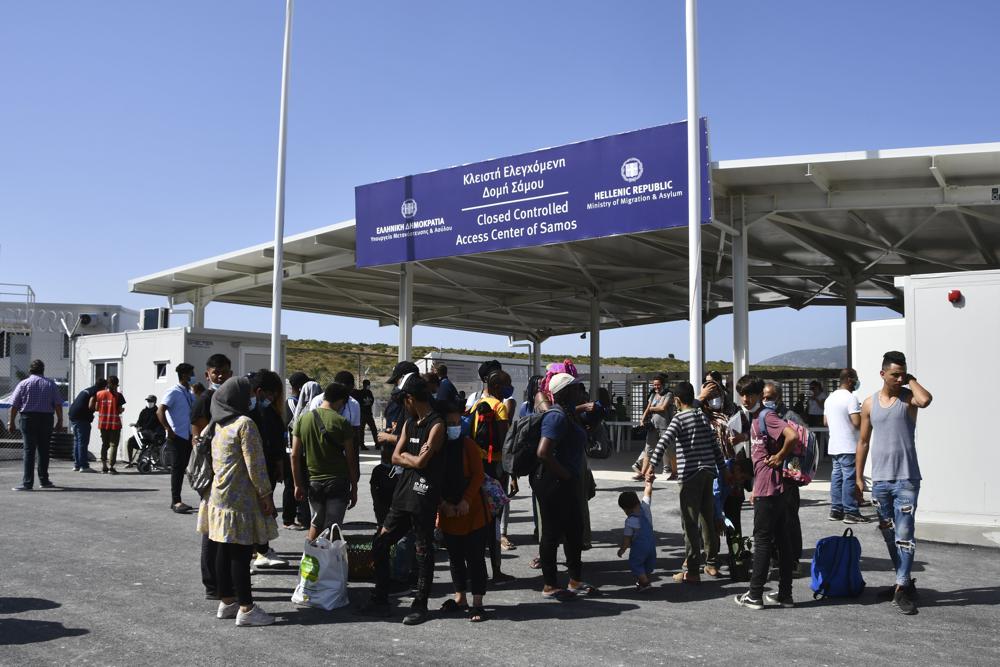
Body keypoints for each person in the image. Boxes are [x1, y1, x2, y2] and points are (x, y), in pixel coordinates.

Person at [360, 373, 446, 625]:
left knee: (422, 550)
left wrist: (412, 459)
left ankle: (420, 604)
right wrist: (413, 459)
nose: (402, 405)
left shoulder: (436, 425)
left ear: (410, 398)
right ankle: (380, 598)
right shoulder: (409, 423)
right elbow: (396, 457)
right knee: (380, 543)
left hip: (423, 497)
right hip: (402, 494)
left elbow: (421, 461)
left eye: (403, 400)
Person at [854, 351, 932, 616]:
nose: (899, 379)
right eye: (895, 374)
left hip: (907, 479)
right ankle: (904, 582)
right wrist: (857, 478)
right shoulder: (868, 404)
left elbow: (926, 400)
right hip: (881, 482)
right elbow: (863, 442)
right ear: (882, 374)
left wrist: (911, 379)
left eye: (903, 374)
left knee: (905, 534)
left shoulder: (908, 398)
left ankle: (901, 586)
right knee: (889, 535)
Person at [196, 376, 278, 626]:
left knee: (222, 549)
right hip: (240, 500)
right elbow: (255, 465)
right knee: (241, 554)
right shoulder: (245, 424)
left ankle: (228, 602)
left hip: (219, 497)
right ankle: (247, 608)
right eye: (250, 393)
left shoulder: (218, 424)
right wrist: (266, 495)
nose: (253, 397)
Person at [733, 375, 800, 611]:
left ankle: (754, 595)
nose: (744, 398)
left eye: (749, 394)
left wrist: (780, 457)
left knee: (762, 541)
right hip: (774, 487)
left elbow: (792, 436)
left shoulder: (766, 416)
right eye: (741, 393)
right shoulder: (757, 418)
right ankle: (785, 594)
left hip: (769, 489)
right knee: (782, 540)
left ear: (759, 395)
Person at [648, 381, 726, 582]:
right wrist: (724, 470)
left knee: (690, 523)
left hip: (690, 475)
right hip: (708, 473)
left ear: (676, 400)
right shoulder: (702, 417)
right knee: (707, 519)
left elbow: (664, 441)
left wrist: (651, 467)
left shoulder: (679, 418)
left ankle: (692, 571)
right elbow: (715, 446)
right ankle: (711, 564)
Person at [533, 372, 596, 599]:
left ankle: (574, 580)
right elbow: (543, 452)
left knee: (574, 531)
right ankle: (550, 585)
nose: (581, 391)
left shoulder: (568, 414)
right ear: (566, 392)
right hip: (553, 483)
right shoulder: (557, 417)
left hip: (565, 482)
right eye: (577, 388)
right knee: (551, 533)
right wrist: (567, 475)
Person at [438, 402, 490, 622]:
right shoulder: (436, 447)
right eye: (450, 423)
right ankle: (460, 598)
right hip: (449, 512)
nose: (455, 427)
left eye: (458, 422)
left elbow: (478, 475)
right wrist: (443, 504)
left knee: (476, 557)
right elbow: (431, 479)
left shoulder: (467, 445)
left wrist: (466, 500)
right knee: (455, 557)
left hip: (473, 512)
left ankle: (477, 602)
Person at [189, 354, 234, 601]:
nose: (220, 376)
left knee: (220, 532)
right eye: (215, 372)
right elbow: (199, 441)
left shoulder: (225, 399)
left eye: (224, 372)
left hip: (223, 476)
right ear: (207, 374)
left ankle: (222, 581)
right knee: (211, 532)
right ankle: (212, 584)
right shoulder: (205, 400)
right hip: (212, 476)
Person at [291, 381, 359, 541]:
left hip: (314, 481)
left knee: (316, 523)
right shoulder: (342, 422)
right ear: (341, 401)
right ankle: (330, 564)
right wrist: (354, 487)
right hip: (338, 481)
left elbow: (294, 455)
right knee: (333, 526)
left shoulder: (303, 419)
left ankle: (309, 560)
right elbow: (350, 458)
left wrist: (297, 484)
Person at [469, 369, 516, 581]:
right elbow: (505, 444)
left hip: (476, 466)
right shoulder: (499, 408)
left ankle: (474, 569)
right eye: (507, 384)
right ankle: (496, 570)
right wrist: (512, 473)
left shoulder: (476, 405)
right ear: (497, 386)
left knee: (477, 519)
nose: (510, 388)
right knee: (494, 522)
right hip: (495, 469)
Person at [247, 370, 289, 570]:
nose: (273, 398)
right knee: (264, 509)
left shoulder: (249, 411)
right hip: (263, 469)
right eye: (272, 394)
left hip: (260, 468)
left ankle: (258, 549)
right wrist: (280, 467)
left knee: (259, 511)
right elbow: (276, 445)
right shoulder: (266, 413)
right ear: (260, 391)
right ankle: (260, 551)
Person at [762, 382, 806, 568]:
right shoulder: (764, 416)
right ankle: (774, 554)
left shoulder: (790, 417)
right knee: (771, 517)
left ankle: (793, 557)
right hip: (769, 476)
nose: (766, 401)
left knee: (789, 517)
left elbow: (801, 443)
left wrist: (786, 462)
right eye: (763, 397)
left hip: (787, 476)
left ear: (779, 398)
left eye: (770, 398)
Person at [8, 359, 64, 491]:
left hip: (28, 418)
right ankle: (44, 480)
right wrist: (60, 420)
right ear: (43, 370)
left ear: (30, 370)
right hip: (46, 418)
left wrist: (11, 422)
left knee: (29, 450)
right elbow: (58, 404)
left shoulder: (24, 384)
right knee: (44, 450)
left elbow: (14, 405)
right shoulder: (50, 384)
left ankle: (27, 482)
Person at [825, 368, 864, 523]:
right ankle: (851, 511)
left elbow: (825, 422)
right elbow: (857, 422)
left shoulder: (830, 398)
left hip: (834, 445)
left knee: (837, 477)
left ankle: (836, 510)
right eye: (855, 378)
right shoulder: (851, 398)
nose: (856, 382)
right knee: (849, 478)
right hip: (848, 445)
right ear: (849, 379)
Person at [158, 362, 197, 513]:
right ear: (185, 375)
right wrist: (168, 429)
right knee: (177, 469)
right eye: (191, 374)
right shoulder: (173, 391)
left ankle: (177, 500)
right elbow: (160, 411)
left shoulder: (189, 393)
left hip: (187, 435)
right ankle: (176, 501)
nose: (193, 376)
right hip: (177, 436)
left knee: (184, 468)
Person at [284, 377, 321, 530]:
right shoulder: (306, 410)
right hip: (300, 453)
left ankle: (302, 517)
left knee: (299, 486)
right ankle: (296, 518)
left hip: (294, 452)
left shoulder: (302, 409)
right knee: (298, 486)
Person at [633, 374, 675, 481]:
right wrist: (642, 419)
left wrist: (651, 408)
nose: (656, 387)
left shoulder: (668, 394)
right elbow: (648, 408)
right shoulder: (652, 395)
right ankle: (643, 473)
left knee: (669, 450)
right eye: (654, 385)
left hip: (665, 427)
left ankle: (675, 473)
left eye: (658, 385)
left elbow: (662, 408)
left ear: (663, 384)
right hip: (653, 426)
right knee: (649, 450)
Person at [617, 478, 656, 592]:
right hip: (651, 544)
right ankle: (644, 578)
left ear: (626, 509)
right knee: (648, 563)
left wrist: (622, 549)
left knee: (635, 563)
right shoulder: (645, 507)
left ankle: (645, 582)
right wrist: (649, 483)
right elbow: (647, 493)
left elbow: (627, 539)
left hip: (639, 547)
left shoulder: (630, 521)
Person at [67, 377, 107, 472]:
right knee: (83, 442)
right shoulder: (96, 392)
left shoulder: (88, 389)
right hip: (81, 418)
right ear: (104, 387)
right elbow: (91, 405)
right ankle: (84, 466)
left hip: (73, 415)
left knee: (77, 441)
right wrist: (99, 409)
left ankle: (77, 465)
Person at [92, 375, 126, 474]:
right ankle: (111, 467)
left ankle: (104, 466)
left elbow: (97, 408)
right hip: (114, 424)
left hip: (103, 423)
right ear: (116, 385)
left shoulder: (99, 394)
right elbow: (119, 410)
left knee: (105, 444)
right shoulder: (119, 395)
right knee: (113, 445)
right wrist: (121, 410)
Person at [126, 394, 164, 467]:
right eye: (147, 401)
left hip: (152, 435)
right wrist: (135, 425)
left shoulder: (158, 412)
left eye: (150, 401)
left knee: (147, 443)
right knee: (130, 441)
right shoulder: (143, 411)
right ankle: (130, 462)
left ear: (154, 402)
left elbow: (160, 424)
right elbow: (139, 423)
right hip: (143, 434)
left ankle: (142, 460)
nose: (148, 402)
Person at [357, 378, 379, 446]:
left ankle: (377, 443)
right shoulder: (360, 393)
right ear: (364, 385)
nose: (368, 386)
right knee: (361, 430)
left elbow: (371, 401)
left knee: (374, 429)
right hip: (362, 414)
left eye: (369, 384)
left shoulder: (369, 392)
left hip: (369, 414)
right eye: (367, 385)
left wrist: (368, 403)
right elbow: (359, 403)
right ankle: (362, 444)